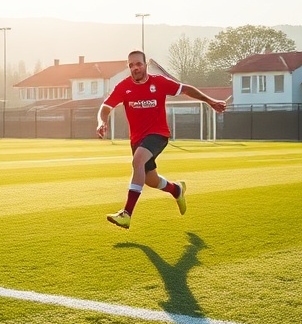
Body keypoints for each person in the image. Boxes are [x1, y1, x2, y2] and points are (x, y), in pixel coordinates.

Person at [96, 50, 227, 229]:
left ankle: (126, 214)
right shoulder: (123, 87)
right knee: (150, 180)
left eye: (138, 64)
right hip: (137, 139)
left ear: (146, 65)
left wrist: (210, 101)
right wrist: (102, 122)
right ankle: (176, 189)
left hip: (158, 134)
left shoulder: (159, 82)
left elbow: (186, 89)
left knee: (137, 161)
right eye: (131, 65)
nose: (135, 68)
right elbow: (106, 106)